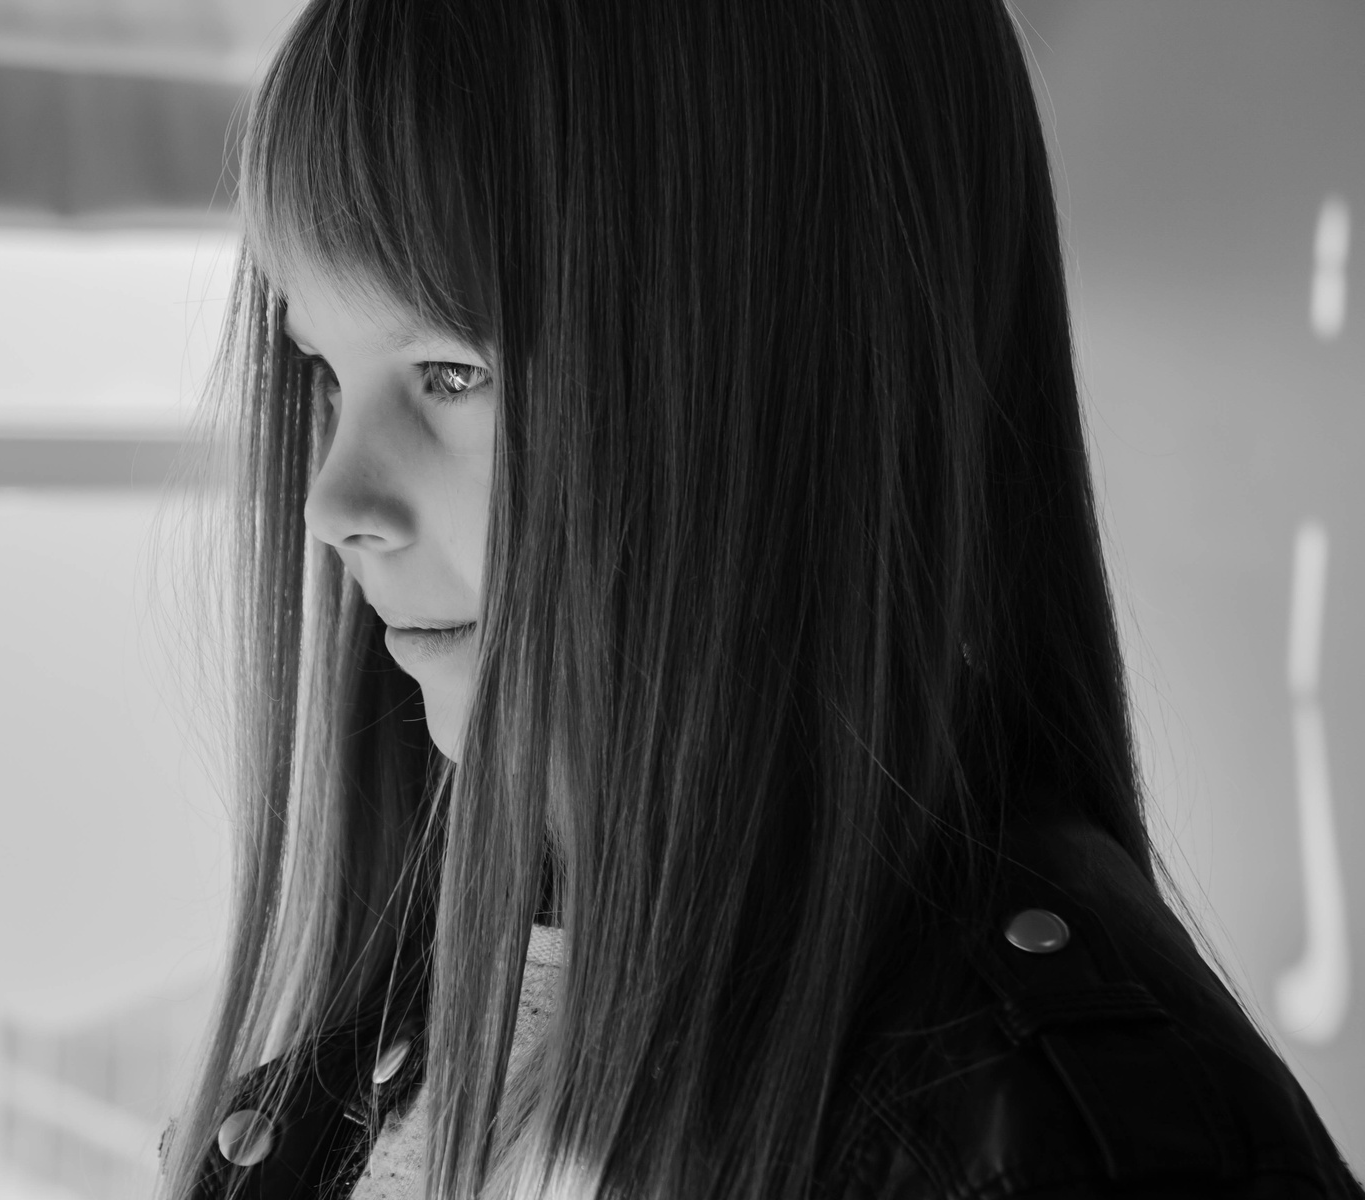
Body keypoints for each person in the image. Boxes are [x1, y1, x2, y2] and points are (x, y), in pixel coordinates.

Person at [157, 0, 1365, 1197]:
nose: (336, 503)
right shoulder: (357, 1093)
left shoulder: (1061, 1145)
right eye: (328, 374)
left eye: (452, 373)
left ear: (795, 380)